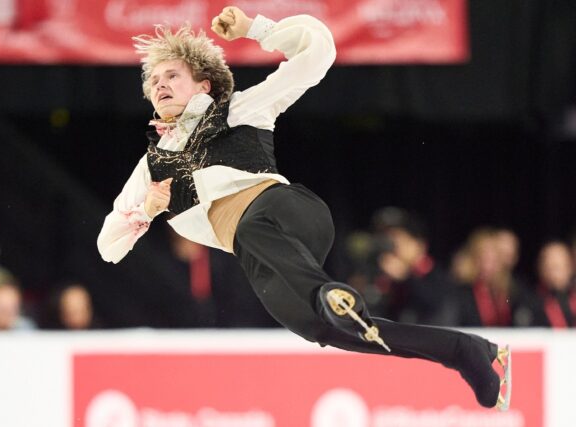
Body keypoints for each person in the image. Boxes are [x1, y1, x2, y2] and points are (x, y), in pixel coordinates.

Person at [97, 6, 511, 410]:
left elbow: (319, 51)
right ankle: (465, 352)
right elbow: (107, 247)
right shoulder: (152, 169)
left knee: (254, 229)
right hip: (266, 260)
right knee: (326, 329)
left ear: (204, 85)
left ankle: (331, 294)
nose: (160, 84)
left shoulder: (242, 108)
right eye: (153, 80)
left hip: (292, 215)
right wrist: (147, 212)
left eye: (172, 74)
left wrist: (256, 28)